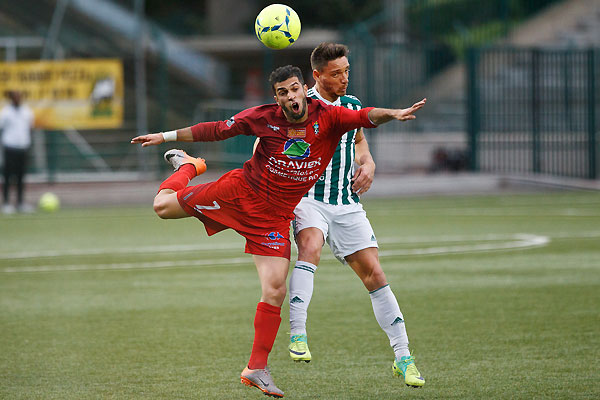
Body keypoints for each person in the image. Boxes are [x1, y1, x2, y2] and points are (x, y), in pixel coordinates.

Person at [131, 65, 425, 398]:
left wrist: (396, 113)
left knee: (275, 289)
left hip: (273, 219)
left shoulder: (328, 116)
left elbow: (367, 117)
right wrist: (165, 136)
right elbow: (215, 129)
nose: (290, 96)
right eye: (282, 92)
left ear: (304, 89)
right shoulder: (263, 117)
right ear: (277, 98)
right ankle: (188, 167)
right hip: (239, 195)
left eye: (294, 89)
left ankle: (256, 368)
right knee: (162, 207)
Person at [286, 43, 425, 388]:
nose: (345, 78)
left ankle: (403, 357)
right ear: (316, 76)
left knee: (375, 275)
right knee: (311, 247)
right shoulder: (300, 108)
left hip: (346, 202)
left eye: (347, 71)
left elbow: (359, 138)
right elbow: (275, 146)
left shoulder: (351, 104)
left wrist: (368, 161)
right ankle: (298, 334)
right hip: (309, 200)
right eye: (337, 73)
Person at [1, 90, 34, 214]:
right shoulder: (5, 112)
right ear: (11, 98)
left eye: (19, 96)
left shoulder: (27, 111)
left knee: (21, 176)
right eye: (15, 97)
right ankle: (6, 203)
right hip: (9, 147)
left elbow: (30, 128)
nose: (17, 99)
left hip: (23, 148)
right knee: (8, 176)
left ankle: (20, 203)